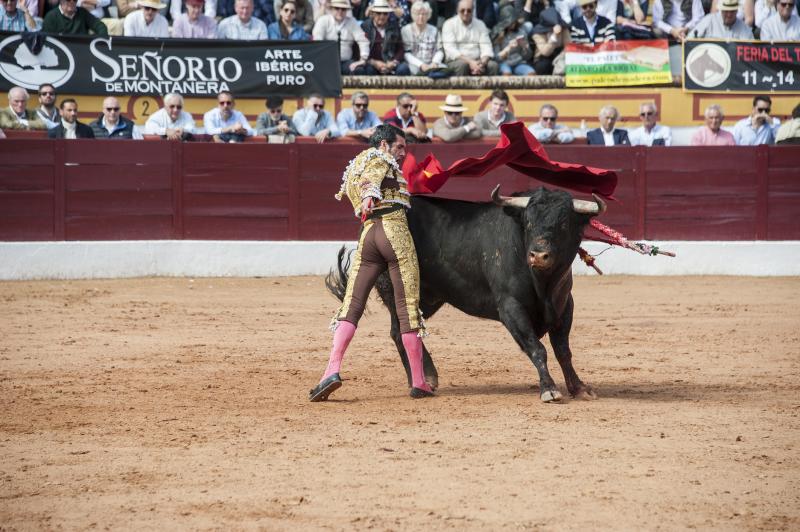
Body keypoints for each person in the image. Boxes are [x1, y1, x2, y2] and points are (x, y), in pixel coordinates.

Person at [310, 124, 434, 402]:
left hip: (368, 236)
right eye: (399, 147)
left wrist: (367, 198)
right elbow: (373, 176)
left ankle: (331, 370)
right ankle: (419, 381)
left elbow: (365, 178)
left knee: (351, 305)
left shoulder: (355, 163)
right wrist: (369, 194)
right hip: (393, 232)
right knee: (407, 309)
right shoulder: (379, 159)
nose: (403, 153)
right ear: (383, 145)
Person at [441, 0, 499, 76]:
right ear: (457, 11)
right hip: (457, 61)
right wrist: (470, 62)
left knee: (493, 66)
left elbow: (487, 47)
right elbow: (451, 50)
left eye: (469, 10)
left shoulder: (480, 24)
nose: (466, 13)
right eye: (462, 10)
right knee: (462, 65)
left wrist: (482, 63)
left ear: (473, 10)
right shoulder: (449, 24)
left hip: (478, 60)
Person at [312, 0, 370, 74]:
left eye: (343, 9)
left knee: (358, 70)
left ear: (346, 11)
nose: (340, 11)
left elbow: (363, 40)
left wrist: (363, 59)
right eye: (337, 8)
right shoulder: (323, 20)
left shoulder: (352, 22)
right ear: (331, 9)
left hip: (345, 62)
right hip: (326, 61)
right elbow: (317, 41)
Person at [361, 0, 410, 75]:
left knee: (403, 68)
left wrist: (393, 62)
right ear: (373, 14)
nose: (382, 16)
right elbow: (358, 51)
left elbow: (400, 49)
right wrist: (374, 62)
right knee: (368, 69)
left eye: (385, 13)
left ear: (388, 15)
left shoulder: (394, 26)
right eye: (378, 13)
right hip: (372, 63)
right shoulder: (365, 26)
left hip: (390, 63)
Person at [400, 0, 446, 76]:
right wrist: (421, 65)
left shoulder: (434, 30)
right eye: (418, 14)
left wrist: (434, 62)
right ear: (413, 15)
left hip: (432, 65)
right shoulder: (406, 30)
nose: (421, 17)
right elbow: (406, 53)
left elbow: (440, 50)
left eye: (424, 14)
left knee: (441, 74)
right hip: (414, 65)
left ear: (428, 15)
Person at [492, 4, 535, 76]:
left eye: (514, 21)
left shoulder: (521, 31)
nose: (512, 24)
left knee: (531, 74)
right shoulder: (498, 34)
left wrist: (525, 47)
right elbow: (496, 58)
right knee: (507, 74)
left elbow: (528, 56)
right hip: (504, 63)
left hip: (519, 63)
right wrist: (508, 48)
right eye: (510, 22)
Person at [531, 7, 568, 76]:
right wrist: (554, 36)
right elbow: (545, 52)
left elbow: (568, 45)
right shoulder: (537, 33)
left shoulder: (563, 27)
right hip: (543, 57)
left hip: (560, 54)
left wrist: (561, 56)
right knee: (543, 66)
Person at [689, 0, 754, 37]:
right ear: (721, 10)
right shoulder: (709, 20)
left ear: (737, 11)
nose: (729, 14)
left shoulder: (744, 29)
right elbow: (690, 39)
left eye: (732, 11)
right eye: (726, 11)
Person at [42, 0, 108, 34]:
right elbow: (47, 39)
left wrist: (100, 43)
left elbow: (100, 26)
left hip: (82, 51)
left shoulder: (82, 12)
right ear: (61, 1)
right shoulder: (51, 17)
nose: (72, 2)